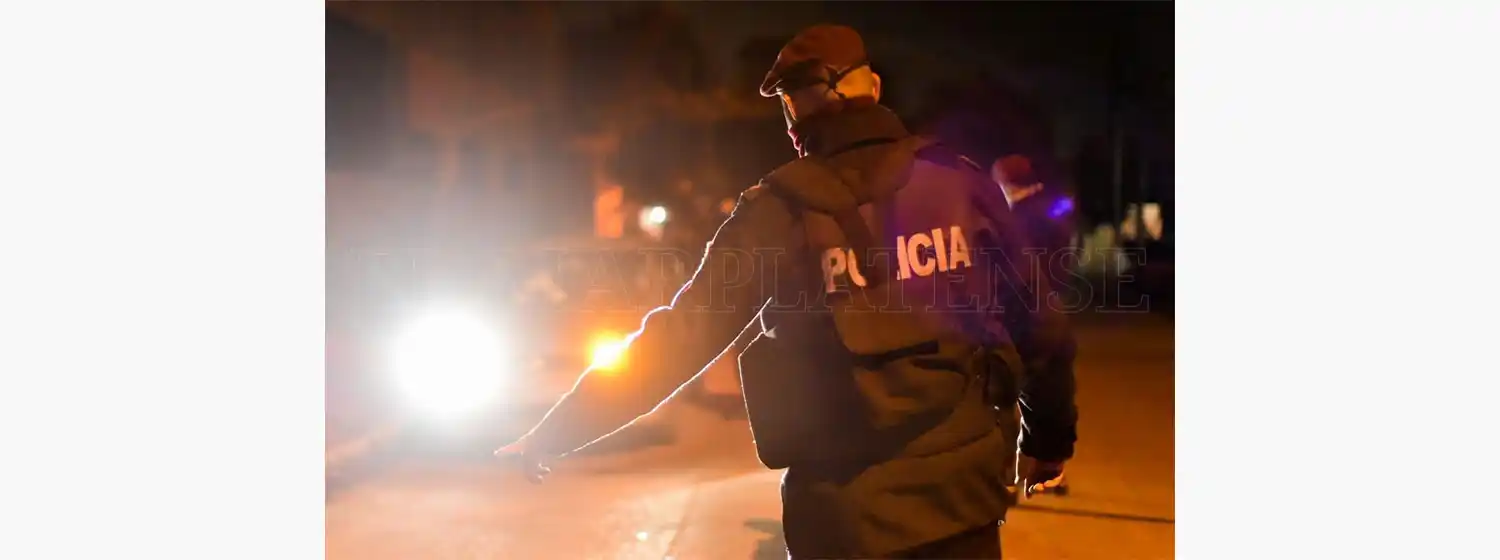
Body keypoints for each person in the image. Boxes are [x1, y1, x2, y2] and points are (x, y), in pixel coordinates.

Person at [496, 24, 1076, 559]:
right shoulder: (959, 183)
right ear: (871, 88)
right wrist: (1047, 441)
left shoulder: (773, 214)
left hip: (843, 526)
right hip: (962, 512)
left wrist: (558, 431)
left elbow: (678, 340)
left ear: (796, 114)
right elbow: (1039, 327)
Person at [991, 154, 1081, 498]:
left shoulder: (1012, 221)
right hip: (1052, 312)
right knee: (1053, 394)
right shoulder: (1054, 212)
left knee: (1007, 394)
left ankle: (1004, 478)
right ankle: (1049, 472)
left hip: (1022, 313)